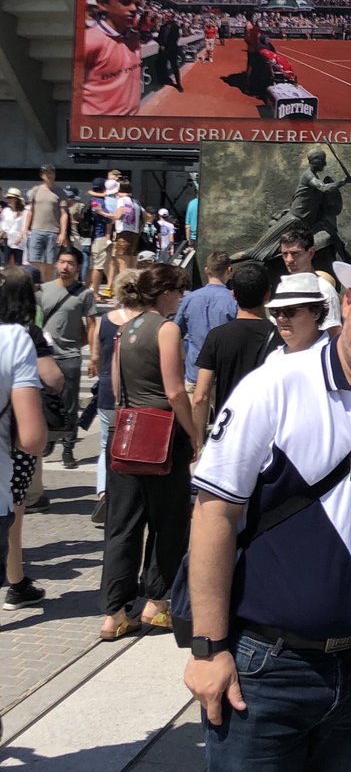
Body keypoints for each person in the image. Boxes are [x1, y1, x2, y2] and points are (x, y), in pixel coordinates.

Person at [184, 233, 351, 771]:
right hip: (265, 667)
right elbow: (213, 513)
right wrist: (208, 650)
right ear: (346, 304)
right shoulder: (275, 385)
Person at [100, 263, 201, 640]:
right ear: (165, 293)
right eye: (179, 291)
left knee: (122, 526)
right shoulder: (167, 328)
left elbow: (114, 382)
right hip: (161, 435)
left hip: (125, 432)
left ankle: (114, 614)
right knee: (168, 523)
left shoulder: (125, 328)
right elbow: (175, 391)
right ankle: (156, 604)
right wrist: (193, 433)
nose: (181, 298)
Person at [0, 267, 60, 611]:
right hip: (13, 442)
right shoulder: (26, 335)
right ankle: (16, 580)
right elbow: (52, 377)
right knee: (13, 513)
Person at [192, 262, 280, 429]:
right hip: (266, 432)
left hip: (227, 430)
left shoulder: (216, 336)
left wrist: (197, 444)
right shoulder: (281, 338)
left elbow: (200, 397)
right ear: (268, 294)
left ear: (233, 295)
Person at [91, 268, 145, 528]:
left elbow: (96, 356)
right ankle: (127, 497)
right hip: (133, 391)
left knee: (105, 445)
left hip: (105, 390)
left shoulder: (105, 320)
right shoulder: (145, 320)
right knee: (130, 446)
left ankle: (103, 492)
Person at [38, 247, 96, 470]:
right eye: (62, 262)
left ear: (78, 267)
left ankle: (68, 448)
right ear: (56, 264)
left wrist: (93, 355)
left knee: (70, 405)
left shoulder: (85, 294)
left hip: (70, 356)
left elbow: (91, 326)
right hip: (45, 356)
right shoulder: (43, 290)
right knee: (44, 400)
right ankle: (49, 439)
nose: (65, 267)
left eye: (70, 263)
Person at [81, 0, 144, 117]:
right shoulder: (88, 41)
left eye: (137, 4)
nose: (134, 9)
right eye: (125, 2)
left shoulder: (134, 38)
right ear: (103, 4)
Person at [175, 251, 237, 393]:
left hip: (194, 374)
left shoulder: (189, 299)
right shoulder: (234, 301)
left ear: (206, 270)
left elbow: (176, 332)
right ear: (229, 270)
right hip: (223, 377)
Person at [277, 224, 342, 338]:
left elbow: (333, 334)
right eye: (285, 254)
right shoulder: (282, 288)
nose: (289, 260)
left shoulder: (324, 290)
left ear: (311, 253)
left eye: (295, 253)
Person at [264, 274, 330, 357]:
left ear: (316, 313)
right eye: (275, 311)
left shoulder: (332, 355)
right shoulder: (273, 358)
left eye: (290, 311)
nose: (280, 318)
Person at [22, 165, 68, 283]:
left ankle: (47, 287)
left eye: (51, 173)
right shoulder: (35, 190)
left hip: (52, 231)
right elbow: (30, 210)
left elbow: (64, 214)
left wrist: (63, 232)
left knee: (50, 262)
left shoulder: (60, 192)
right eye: (47, 174)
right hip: (36, 229)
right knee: (33, 260)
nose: (49, 176)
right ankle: (37, 284)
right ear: (42, 175)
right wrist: (26, 228)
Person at [1, 187, 25, 266]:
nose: (8, 200)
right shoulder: (6, 211)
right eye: (8, 198)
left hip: (20, 243)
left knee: (19, 265)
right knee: (6, 264)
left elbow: (25, 227)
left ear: (16, 199)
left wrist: (21, 237)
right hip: (7, 241)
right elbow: (3, 226)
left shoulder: (24, 212)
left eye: (10, 198)